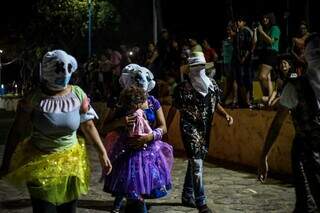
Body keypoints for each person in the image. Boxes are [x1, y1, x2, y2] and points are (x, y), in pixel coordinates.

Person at [0, 50, 112, 213]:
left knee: (68, 210)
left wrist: (102, 154)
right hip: (40, 163)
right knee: (44, 209)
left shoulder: (78, 94)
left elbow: (88, 126)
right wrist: (6, 162)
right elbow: (17, 131)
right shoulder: (34, 98)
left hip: (71, 163)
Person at [258, 33, 320, 212]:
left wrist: (264, 156)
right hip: (306, 155)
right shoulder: (291, 84)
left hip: (305, 153)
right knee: (306, 204)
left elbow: (277, 123)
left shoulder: (294, 84)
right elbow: (276, 121)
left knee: (307, 204)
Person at [166, 52, 234, 213]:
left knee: (195, 161)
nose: (198, 70)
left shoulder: (212, 85)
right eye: (195, 67)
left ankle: (187, 194)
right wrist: (164, 129)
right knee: (197, 163)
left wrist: (226, 115)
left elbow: (215, 104)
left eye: (201, 67)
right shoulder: (182, 88)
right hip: (189, 128)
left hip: (205, 130)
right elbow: (173, 110)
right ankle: (201, 203)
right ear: (190, 69)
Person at [100, 64, 171, 213]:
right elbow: (103, 128)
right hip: (126, 156)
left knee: (139, 194)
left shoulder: (152, 102)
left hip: (149, 155)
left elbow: (163, 127)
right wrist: (121, 121)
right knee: (134, 196)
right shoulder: (121, 101)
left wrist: (149, 137)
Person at [254, 12, 281, 104]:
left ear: (271, 19)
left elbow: (271, 42)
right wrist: (256, 31)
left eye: (267, 18)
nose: (264, 20)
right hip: (264, 53)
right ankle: (268, 99)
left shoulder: (275, 28)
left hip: (271, 53)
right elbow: (257, 42)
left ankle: (268, 97)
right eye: (263, 18)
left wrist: (261, 32)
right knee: (267, 78)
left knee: (262, 76)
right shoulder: (265, 29)